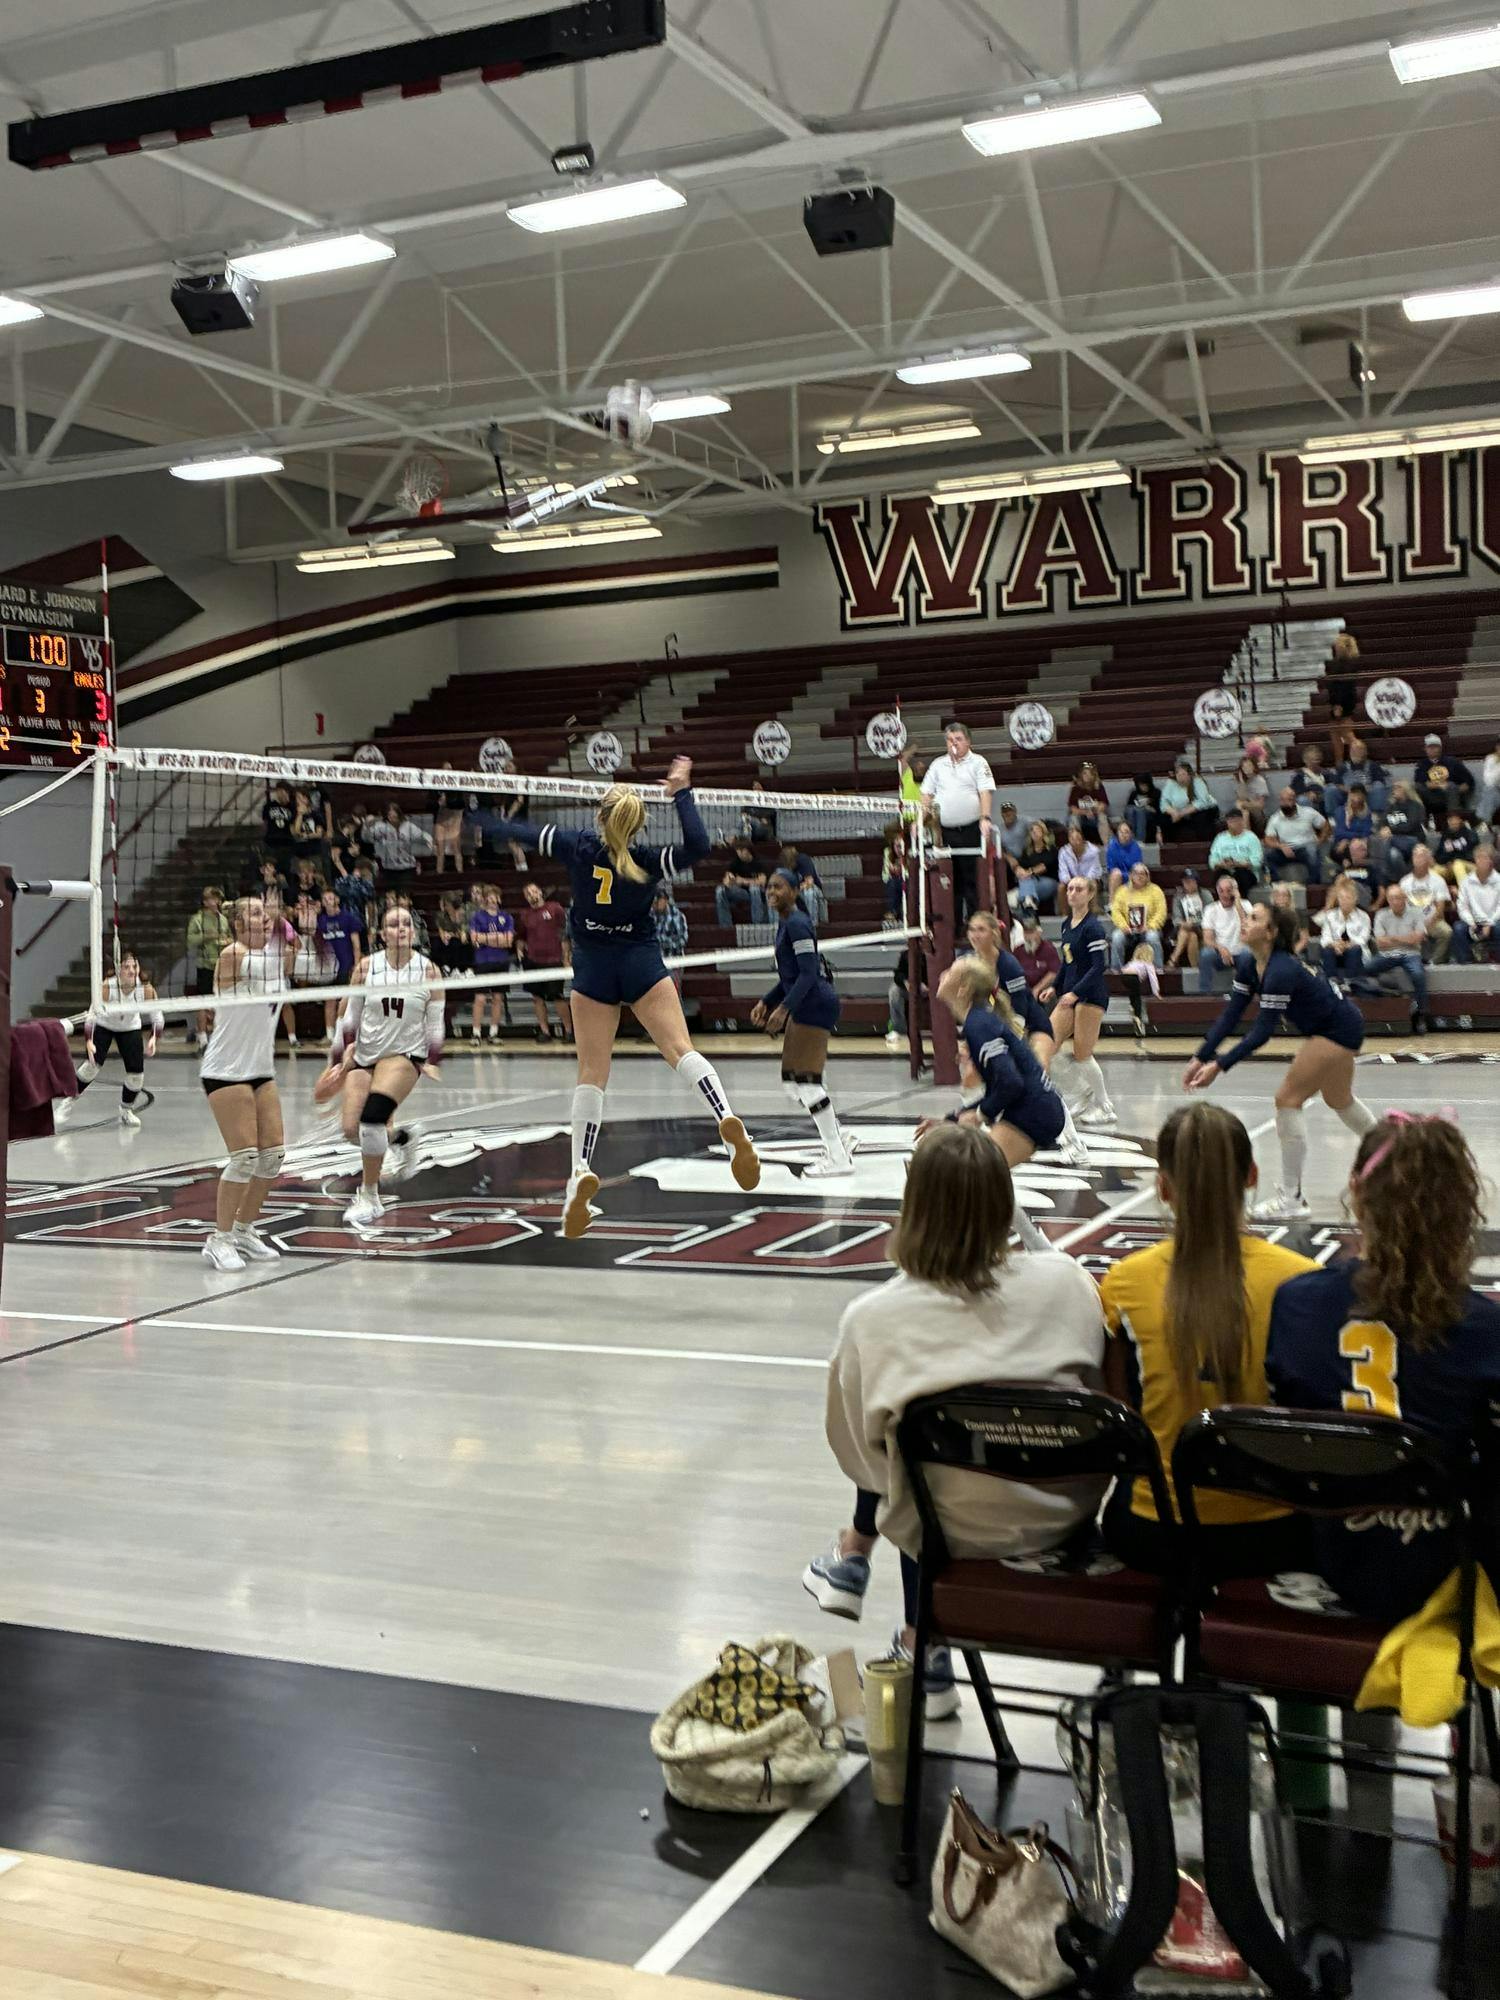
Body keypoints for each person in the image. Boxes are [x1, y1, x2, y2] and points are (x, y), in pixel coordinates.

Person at [803, 1122, 1106, 1712]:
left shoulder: (871, 1318)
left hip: (946, 1537)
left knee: (912, 1474)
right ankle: (920, 1641)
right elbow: (1103, 1400)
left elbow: (861, 1461)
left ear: (912, 1207)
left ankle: (922, 1647)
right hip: (1066, 1525)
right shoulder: (1069, 1283)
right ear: (1006, 1201)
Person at [499, 758, 759, 1240]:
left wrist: (478, 816)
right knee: (682, 1051)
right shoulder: (646, 860)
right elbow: (700, 846)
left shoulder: (577, 846)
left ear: (601, 817)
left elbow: (515, 830)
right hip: (640, 962)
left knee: (591, 1075)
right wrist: (682, 792)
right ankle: (725, 1116)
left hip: (594, 969)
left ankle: (580, 1171)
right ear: (637, 823)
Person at [1267, 1115, 1500, 1622]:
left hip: (1327, 1549)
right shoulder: (1487, 1329)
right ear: (1462, 1205)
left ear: (1356, 1191)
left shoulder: (1295, 1303)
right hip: (1441, 1564)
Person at [1100, 1102, 1317, 1578]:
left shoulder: (1123, 1283)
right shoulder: (1304, 1282)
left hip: (1154, 1527)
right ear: (1253, 1176)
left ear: (1162, 1186)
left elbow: (1121, 1418)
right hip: (1272, 1531)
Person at [1184, 902, 1376, 1221]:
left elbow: (1261, 1032)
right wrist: (1201, 1055)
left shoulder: (1281, 970)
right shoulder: (1249, 963)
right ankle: (1392, 1153)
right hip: (1341, 1024)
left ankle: (1292, 1198)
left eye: (1255, 918)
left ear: (1271, 933)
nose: (1245, 921)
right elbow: (1232, 1015)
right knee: (1339, 1100)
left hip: (1337, 1030)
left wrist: (1219, 1065)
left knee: (1287, 1099)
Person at [922, 959, 1070, 1255]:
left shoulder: (979, 1024)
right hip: (1033, 1108)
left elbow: (1011, 1083)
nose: (942, 974)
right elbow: (1003, 1085)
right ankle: (1035, 1247)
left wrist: (978, 1116)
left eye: (950, 971)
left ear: (962, 988)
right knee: (984, 1178)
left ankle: (979, 1251)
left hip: (1033, 1112)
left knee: (974, 1175)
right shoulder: (979, 1021)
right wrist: (951, 1120)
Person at [320, 904, 444, 1231]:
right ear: (382, 933)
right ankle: (403, 1138)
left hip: (405, 1054)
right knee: (352, 1130)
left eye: (406, 923)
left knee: (372, 1117)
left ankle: (369, 1195)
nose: (401, 928)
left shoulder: (429, 971)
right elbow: (349, 1017)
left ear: (413, 932)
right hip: (365, 1052)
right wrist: (339, 1057)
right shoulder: (366, 968)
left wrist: (432, 1058)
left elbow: (435, 1022)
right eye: (393, 924)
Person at [199, 896, 293, 1273]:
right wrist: (287, 928)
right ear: (237, 923)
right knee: (244, 1158)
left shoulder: (273, 961)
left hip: (260, 1068)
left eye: (265, 911)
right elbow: (283, 947)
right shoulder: (232, 955)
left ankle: (243, 1230)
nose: (265, 917)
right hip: (225, 1069)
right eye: (256, 912)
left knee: (272, 1157)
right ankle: (218, 1239)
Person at [963, 910, 1088, 1164]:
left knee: (1039, 1078)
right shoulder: (969, 963)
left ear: (994, 934)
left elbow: (1019, 1010)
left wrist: (1010, 1043)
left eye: (981, 929)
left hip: (1032, 1026)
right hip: (1001, 1029)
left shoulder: (1007, 965)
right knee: (970, 1075)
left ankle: (1074, 1142)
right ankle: (982, 1126)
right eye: (972, 929)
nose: (975, 935)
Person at [751, 868, 852, 1177]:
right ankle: (841, 1136)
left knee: (807, 1085)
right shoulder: (785, 924)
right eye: (769, 886)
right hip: (805, 1003)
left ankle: (837, 1157)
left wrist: (783, 1010)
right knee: (792, 1084)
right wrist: (767, 1001)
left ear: (794, 892)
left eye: (778, 887)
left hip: (816, 1005)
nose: (771, 891)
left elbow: (809, 975)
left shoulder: (797, 924)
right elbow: (790, 978)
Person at [1037, 874, 1117, 1129]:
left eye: (1079, 889)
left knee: (1082, 1054)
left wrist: (1075, 993)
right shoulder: (1066, 924)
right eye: (1070, 888)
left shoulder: (1093, 927)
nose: (1072, 892)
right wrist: (1056, 988)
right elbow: (1067, 963)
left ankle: (1105, 1107)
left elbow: (1098, 967)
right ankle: (1082, 1091)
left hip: (1090, 997)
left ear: (1090, 894)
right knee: (1044, 1044)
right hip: (1068, 996)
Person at [62, 952, 163, 1129]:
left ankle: (126, 1110)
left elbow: (157, 1017)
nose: (131, 971)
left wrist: (154, 1038)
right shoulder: (107, 988)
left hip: (130, 1028)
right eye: (126, 967)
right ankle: (68, 1101)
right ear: (118, 970)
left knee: (136, 1077)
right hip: (104, 1025)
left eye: (134, 967)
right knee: (90, 1068)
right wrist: (88, 1041)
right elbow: (91, 1016)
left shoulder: (145, 990)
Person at [919, 721, 994, 926]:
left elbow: (985, 791)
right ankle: (954, 926)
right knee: (949, 880)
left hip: (970, 829)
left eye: (958, 739)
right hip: (945, 832)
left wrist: (985, 818)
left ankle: (975, 923)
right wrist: (920, 820)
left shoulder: (978, 762)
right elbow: (926, 794)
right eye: (950, 740)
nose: (954, 743)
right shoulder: (937, 765)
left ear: (968, 742)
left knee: (971, 879)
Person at [1365, 885, 1430, 1031]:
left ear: (1405, 898)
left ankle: (1421, 1014)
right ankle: (1383, 998)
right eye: (1392, 898)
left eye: (1398, 898)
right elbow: (1380, 943)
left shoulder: (1416, 913)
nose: (1395, 901)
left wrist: (1393, 938)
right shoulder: (1381, 915)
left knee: (1418, 974)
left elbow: (1417, 938)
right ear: (1388, 900)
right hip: (1387, 955)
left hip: (1411, 954)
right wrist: (1406, 938)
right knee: (1366, 968)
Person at [516, 878, 572, 1041]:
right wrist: (519, 949)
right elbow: (521, 937)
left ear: (540, 892)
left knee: (557, 996)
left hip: (554, 959)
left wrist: (566, 958)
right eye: (527, 893)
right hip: (533, 960)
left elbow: (564, 935)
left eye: (533, 891)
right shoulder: (524, 915)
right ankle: (545, 1031)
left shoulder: (555, 909)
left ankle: (569, 1030)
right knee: (537, 997)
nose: (531, 894)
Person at [186, 885, 230, 1050]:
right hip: (205, 965)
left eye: (216, 899)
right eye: (210, 899)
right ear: (204, 902)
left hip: (222, 966)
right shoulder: (197, 919)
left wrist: (227, 942)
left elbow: (229, 938)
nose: (213, 902)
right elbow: (190, 941)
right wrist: (208, 936)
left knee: (221, 1002)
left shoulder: (223, 919)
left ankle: (219, 1036)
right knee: (203, 1002)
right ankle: (203, 1038)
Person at [468, 884, 514, 1042]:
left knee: (497, 998)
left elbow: (508, 941)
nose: (492, 899)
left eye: (495, 895)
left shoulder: (506, 917)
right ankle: (476, 1033)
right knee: (480, 998)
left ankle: (493, 1033)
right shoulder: (477, 917)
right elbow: (474, 939)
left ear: (499, 898)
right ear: (484, 899)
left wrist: (485, 938)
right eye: (489, 896)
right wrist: (496, 938)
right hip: (482, 961)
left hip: (501, 961)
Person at [1197, 874, 1250, 993]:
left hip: (1241, 952)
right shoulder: (1211, 909)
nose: (1225, 894)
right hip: (1220, 954)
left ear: (1235, 891)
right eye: (1221, 891)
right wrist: (1221, 949)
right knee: (1205, 954)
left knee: (1248, 954)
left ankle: (1245, 993)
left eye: (1229, 890)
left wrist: (1238, 903)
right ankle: (1204, 994)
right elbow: (1207, 939)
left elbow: (1248, 930)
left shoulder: (1246, 905)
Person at [1109, 862, 1168, 969]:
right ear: (1131, 875)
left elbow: (1161, 913)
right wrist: (1123, 926)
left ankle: (1158, 970)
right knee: (1116, 937)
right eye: (1136, 873)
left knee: (1152, 937)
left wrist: (1149, 926)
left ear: (1147, 876)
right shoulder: (1122, 891)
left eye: (1143, 874)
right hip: (1127, 929)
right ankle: (1116, 971)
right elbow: (1115, 911)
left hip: (1149, 929)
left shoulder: (1156, 891)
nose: (1139, 876)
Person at [1314, 878, 1371, 988]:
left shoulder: (1363, 916)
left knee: (1355, 950)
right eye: (1341, 898)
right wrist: (1335, 944)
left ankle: (1351, 983)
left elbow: (1363, 939)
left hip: (1355, 953)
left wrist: (1346, 945)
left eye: (1348, 898)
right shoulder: (1330, 916)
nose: (1344, 901)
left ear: (1355, 899)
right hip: (1335, 952)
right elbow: (1325, 937)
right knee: (1327, 949)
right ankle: (1331, 982)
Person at [1264, 784, 1326, 884]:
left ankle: (1313, 885)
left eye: (1288, 800)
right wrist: (1280, 846)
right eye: (1282, 800)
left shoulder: (1308, 812)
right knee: (1268, 857)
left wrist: (1321, 840)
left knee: (1312, 852)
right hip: (1286, 850)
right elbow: (1268, 839)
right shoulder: (1275, 818)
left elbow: (1325, 825)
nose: (1285, 803)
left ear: (1294, 800)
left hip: (1306, 847)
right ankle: (1277, 883)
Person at [1400, 844, 1453, 962]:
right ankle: (1413, 962)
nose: (1418, 859)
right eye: (1416, 856)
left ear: (1428, 859)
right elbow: (1400, 908)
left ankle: (1435, 962)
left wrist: (1424, 927)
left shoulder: (1438, 880)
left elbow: (1440, 909)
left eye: (1422, 856)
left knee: (1447, 932)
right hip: (1410, 923)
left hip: (1432, 921)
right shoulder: (1404, 882)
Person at [367, 799, 435, 886]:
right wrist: (369, 825)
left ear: (399, 815)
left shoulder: (408, 826)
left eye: (394, 816)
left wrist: (429, 840)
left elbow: (422, 834)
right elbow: (369, 836)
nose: (392, 819)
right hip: (389, 868)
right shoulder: (381, 826)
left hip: (407, 867)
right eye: (389, 816)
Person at [1413, 732, 1474, 821]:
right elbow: (1421, 783)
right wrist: (1440, 785)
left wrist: (1455, 789)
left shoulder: (1453, 762)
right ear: (1425, 749)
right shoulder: (1422, 764)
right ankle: (1421, 822)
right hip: (1432, 796)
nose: (1432, 749)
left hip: (1452, 796)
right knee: (1415, 787)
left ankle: (1454, 819)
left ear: (1440, 748)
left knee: (1451, 786)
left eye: (1435, 746)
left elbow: (1469, 782)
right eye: (1429, 747)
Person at [1454, 845, 1499, 963]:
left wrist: (1489, 923)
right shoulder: (1466, 882)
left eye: (1485, 858)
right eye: (1479, 858)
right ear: (1475, 860)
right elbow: (1462, 906)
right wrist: (1471, 922)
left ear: (1491, 861)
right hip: (1474, 922)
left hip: (1493, 921)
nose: (1481, 861)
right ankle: (1467, 961)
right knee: (1458, 928)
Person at [1208, 806, 1264, 897]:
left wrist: (1239, 864)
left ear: (1242, 821)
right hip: (1226, 869)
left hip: (1245, 871)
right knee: (1220, 876)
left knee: (1241, 875)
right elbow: (1212, 860)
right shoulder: (1220, 838)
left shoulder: (1251, 837)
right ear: (1227, 822)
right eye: (1231, 821)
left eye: (1237, 820)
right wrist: (1221, 864)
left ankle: (1241, 902)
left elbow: (1257, 861)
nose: (1235, 824)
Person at [1326, 630, 1362, 764]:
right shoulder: (1340, 662)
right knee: (1336, 735)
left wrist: (1338, 705)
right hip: (1337, 699)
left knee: (1346, 734)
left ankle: (1359, 758)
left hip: (1342, 701)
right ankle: (1339, 763)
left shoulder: (1346, 663)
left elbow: (1344, 685)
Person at [1159, 759, 1217, 842]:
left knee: (1201, 817)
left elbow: (1202, 802)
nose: (1180, 776)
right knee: (1164, 819)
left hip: (1202, 809)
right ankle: (1169, 847)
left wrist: (1181, 814)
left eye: (1183, 774)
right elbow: (1164, 803)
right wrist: (1173, 812)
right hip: (1178, 812)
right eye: (1178, 774)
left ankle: (1204, 845)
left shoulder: (1197, 781)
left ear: (1189, 775)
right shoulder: (1170, 783)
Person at [716, 838, 768, 928]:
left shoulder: (758, 862)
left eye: (742, 850)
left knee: (754, 888)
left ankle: (758, 924)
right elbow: (726, 880)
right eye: (738, 850)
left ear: (748, 850)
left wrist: (743, 881)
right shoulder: (735, 863)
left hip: (757, 894)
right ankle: (725, 926)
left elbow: (762, 882)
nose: (740, 853)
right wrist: (730, 881)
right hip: (741, 893)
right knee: (720, 891)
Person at [1011, 820, 1058, 913]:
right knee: (1026, 882)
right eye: (1032, 830)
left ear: (1043, 833)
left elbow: (1043, 867)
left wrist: (1028, 873)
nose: (1034, 832)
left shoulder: (1050, 849)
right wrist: (1018, 870)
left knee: (1024, 884)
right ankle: (1029, 904)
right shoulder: (1027, 850)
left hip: (1048, 882)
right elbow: (1020, 865)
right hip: (1030, 881)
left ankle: (1023, 899)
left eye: (1037, 830)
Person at [777, 843, 827, 926]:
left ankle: (811, 923)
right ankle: (779, 924)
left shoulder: (803, 859)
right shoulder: (784, 867)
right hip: (797, 891)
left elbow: (809, 882)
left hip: (814, 890)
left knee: (809, 892)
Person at [652, 882, 689, 991]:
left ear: (665, 899)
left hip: (673, 960)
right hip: (654, 960)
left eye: (657, 901)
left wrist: (663, 942)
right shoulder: (650, 915)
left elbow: (683, 940)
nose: (655, 904)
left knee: (672, 990)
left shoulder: (677, 916)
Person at [1337, 738, 1388, 816]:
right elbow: (1337, 784)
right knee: (1331, 789)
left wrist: (1364, 790)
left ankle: (1377, 814)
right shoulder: (1342, 767)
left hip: (1367, 795)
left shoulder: (1373, 765)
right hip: (1348, 795)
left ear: (1365, 752)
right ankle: (1332, 817)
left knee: (1378, 786)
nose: (1355, 752)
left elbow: (1380, 783)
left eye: (1359, 750)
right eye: (1353, 750)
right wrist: (1350, 790)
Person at [1066, 760, 1110, 846]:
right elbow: (1073, 808)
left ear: (1094, 775)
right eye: (1084, 773)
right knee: (1073, 818)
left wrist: (1093, 811)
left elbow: (1103, 805)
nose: (1087, 776)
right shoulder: (1076, 788)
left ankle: (1107, 846)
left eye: (1089, 773)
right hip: (1081, 817)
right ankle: (1075, 845)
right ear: (1081, 775)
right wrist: (1085, 812)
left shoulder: (1099, 787)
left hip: (1095, 816)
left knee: (1103, 817)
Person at [1014, 911, 1059, 995]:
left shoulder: (1048, 949)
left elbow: (1054, 973)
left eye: (1031, 932)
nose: (1028, 937)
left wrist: (1037, 988)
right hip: (1024, 991)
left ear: (1039, 932)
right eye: (1025, 932)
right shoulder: (1018, 951)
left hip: (1044, 990)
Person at [432, 767, 466, 875]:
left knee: (456, 848)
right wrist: (438, 803)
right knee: (440, 850)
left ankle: (460, 872)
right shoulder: (435, 786)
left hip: (454, 818)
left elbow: (461, 804)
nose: (448, 771)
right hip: (440, 819)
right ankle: (439, 873)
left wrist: (447, 802)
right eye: (445, 769)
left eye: (450, 769)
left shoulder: (457, 786)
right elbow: (429, 804)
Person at [1168, 868, 1204, 971]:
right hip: (1185, 929)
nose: (1188, 884)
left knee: (1188, 931)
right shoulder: (1178, 897)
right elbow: (1176, 918)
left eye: (1191, 881)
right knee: (1191, 935)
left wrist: (1195, 923)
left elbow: (1210, 915)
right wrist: (1184, 923)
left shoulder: (1205, 895)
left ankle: (1173, 959)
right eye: (1185, 881)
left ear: (1197, 882)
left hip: (1202, 929)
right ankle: (1195, 968)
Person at [1329, 786, 1373, 865]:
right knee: (1335, 850)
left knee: (1358, 849)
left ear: (1363, 798)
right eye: (1352, 795)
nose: (1353, 798)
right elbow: (1339, 832)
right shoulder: (1340, 811)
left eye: (1357, 795)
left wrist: (1348, 840)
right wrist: (1349, 818)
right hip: (1342, 842)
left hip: (1359, 843)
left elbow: (1366, 833)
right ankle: (1348, 866)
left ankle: (1349, 866)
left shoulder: (1366, 813)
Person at [1435, 808, 1478, 880]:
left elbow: (1472, 855)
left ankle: (1464, 890)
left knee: (1458, 865)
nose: (1452, 822)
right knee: (1433, 870)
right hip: (1449, 866)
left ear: (1460, 820)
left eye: (1455, 819)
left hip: (1468, 865)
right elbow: (1438, 856)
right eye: (1450, 820)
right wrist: (1447, 860)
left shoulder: (1470, 834)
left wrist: (1454, 859)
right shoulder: (1446, 836)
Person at [1057, 822, 1103, 890]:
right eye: (1072, 839)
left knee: (1093, 884)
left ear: (1082, 838)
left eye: (1078, 838)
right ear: (1068, 840)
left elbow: (1094, 872)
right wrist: (1070, 881)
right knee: (1061, 886)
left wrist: (1083, 882)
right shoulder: (1063, 852)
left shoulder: (1093, 851)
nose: (1076, 841)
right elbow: (1063, 872)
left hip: (1089, 879)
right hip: (1072, 881)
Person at [1232, 754, 1270, 830]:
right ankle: (1245, 835)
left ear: (1254, 766)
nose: (1247, 769)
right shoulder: (1240, 781)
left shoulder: (1260, 781)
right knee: (1244, 812)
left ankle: (1246, 836)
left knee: (1241, 806)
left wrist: (1244, 804)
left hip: (1257, 812)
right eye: (1244, 767)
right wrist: (1242, 783)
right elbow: (1242, 798)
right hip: (1244, 810)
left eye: (1249, 766)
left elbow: (1260, 805)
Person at [1105, 819, 1143, 891]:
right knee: (1116, 874)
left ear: (1131, 834)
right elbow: (1111, 868)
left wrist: (1130, 875)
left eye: (1126, 832)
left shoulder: (1136, 847)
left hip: (1132, 876)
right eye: (1121, 832)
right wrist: (1123, 875)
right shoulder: (1112, 847)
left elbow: (1138, 866)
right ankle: (1112, 901)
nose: (1123, 835)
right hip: (1117, 877)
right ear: (1117, 833)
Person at [1126, 772, 1161, 842]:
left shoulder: (1156, 793)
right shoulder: (1134, 793)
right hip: (1133, 814)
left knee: (1140, 811)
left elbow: (1159, 810)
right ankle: (1130, 839)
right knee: (1132, 810)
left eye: (1145, 785)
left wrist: (1148, 808)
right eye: (1141, 785)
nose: (1143, 787)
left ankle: (1139, 840)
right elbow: (1128, 807)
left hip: (1151, 814)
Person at [1475, 738, 1500, 827]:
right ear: (1497, 747)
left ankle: (1483, 824)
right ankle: (1485, 823)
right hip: (1496, 794)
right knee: (1489, 790)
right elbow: (1489, 781)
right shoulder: (1491, 759)